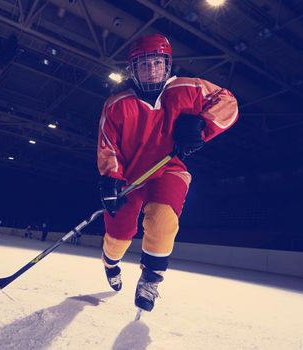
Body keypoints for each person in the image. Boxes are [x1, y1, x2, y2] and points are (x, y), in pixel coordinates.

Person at [97, 33, 238, 312]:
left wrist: (202, 124)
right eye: (144, 65)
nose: (151, 70)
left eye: (157, 64)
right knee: (119, 237)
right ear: (133, 70)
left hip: (168, 169)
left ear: (167, 65)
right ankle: (110, 263)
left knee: (163, 221)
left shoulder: (189, 88)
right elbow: (108, 145)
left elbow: (228, 101)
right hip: (129, 178)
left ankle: (151, 278)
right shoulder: (116, 105)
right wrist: (110, 181)